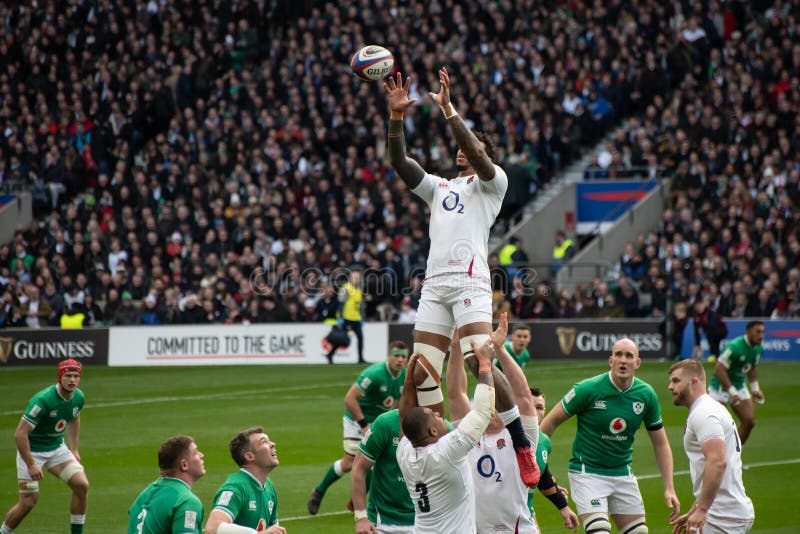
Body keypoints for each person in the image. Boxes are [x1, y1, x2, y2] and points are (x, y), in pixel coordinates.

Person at [385, 68, 537, 486]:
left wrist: (450, 111)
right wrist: (396, 117)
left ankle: (521, 442)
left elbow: (478, 153)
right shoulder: (438, 188)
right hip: (434, 286)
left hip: (471, 284)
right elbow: (398, 161)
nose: (460, 152)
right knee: (418, 375)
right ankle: (436, 448)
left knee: (477, 361)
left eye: (468, 148)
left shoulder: (493, 184)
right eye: (458, 148)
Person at [540, 338, 679, 534]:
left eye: (629, 356)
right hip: (587, 472)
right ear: (610, 360)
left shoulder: (646, 395)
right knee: (599, 530)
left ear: (637, 363)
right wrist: (537, 463)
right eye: (618, 355)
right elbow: (550, 422)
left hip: (622, 473)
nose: (623, 360)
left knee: (638, 532)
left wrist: (669, 487)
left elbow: (661, 444)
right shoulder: (587, 389)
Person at [447, 313, 540, 533]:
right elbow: (455, 394)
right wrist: (455, 348)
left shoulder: (522, 436)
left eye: (497, 403)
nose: (492, 407)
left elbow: (523, 396)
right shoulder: (467, 435)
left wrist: (500, 348)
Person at [396, 338, 496, 533]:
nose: (440, 416)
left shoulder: (405, 452)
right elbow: (483, 412)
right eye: (435, 417)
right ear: (433, 432)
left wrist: (409, 380)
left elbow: (404, 416)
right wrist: (485, 366)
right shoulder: (446, 452)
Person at [308, 341, 409, 515]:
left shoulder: (404, 376)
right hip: (357, 421)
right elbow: (349, 398)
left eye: (403, 356)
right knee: (349, 463)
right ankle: (318, 491)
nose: (400, 360)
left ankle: (355, 503)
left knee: (374, 463)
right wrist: (363, 424)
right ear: (389, 356)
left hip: (378, 423)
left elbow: (398, 403)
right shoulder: (375, 374)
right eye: (396, 355)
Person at [2, 359, 89, 534]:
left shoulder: (78, 396)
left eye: (76, 376)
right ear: (60, 377)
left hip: (57, 450)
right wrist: (31, 463)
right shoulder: (43, 400)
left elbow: (75, 418)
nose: (72, 380)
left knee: (81, 485)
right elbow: (20, 434)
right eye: (68, 376)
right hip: (32, 451)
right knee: (28, 502)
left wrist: (74, 449)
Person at [668, 360, 754, 533]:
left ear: (694, 382)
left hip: (722, 516)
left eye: (676, 381)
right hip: (725, 512)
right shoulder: (709, 408)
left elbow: (718, 462)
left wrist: (702, 509)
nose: (670, 387)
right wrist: (697, 507)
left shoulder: (704, 413)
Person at [204, 427, 285, 534]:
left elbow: (273, 530)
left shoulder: (268, 486)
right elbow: (212, 529)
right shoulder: (235, 487)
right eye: (264, 442)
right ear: (249, 456)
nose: (273, 444)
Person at [350, 408, 415, 533]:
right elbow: (359, 467)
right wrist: (361, 518)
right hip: (382, 524)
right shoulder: (386, 423)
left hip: (426, 524)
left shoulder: (440, 427)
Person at [127, 435, 206, 534]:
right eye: (195, 453)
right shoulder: (186, 501)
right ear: (184, 464)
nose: (202, 455)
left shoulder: (142, 497)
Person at [527, 387, 579, 533]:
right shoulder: (504, 436)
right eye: (529, 406)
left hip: (523, 512)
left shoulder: (543, 441)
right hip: (491, 511)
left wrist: (562, 505)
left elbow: (542, 475)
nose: (535, 412)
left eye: (539, 407)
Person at [707, 320, 765, 445]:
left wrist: (755, 389)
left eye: (763, 332)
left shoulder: (759, 349)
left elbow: (752, 367)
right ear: (749, 332)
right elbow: (719, 369)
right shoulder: (734, 347)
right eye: (758, 332)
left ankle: (733, 455)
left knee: (749, 421)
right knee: (717, 427)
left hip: (739, 386)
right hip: (720, 388)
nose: (761, 335)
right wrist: (732, 392)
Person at [326, 270, 365, 364]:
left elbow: (359, 306)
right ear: (350, 278)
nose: (356, 279)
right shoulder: (346, 288)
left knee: (360, 337)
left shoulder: (359, 290)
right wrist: (340, 317)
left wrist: (361, 317)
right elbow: (340, 304)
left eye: (358, 278)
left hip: (356, 318)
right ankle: (330, 354)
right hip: (347, 318)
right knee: (341, 338)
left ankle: (360, 358)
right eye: (355, 277)